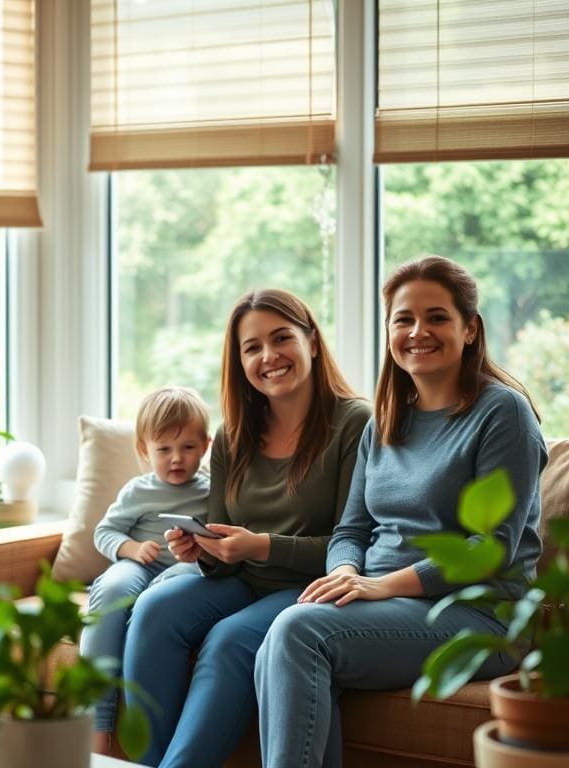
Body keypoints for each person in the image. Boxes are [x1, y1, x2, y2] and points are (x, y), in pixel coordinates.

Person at [254, 256, 547, 768]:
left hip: (480, 614)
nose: (418, 332)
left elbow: (492, 549)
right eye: (403, 319)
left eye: (436, 317)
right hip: (384, 603)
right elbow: (351, 529)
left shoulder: (503, 413)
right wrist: (345, 570)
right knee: (277, 638)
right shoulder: (385, 420)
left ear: (470, 328)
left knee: (297, 631)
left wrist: (381, 585)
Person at [121, 289, 371, 767]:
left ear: (312, 342)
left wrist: (261, 546)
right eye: (251, 347)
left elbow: (352, 544)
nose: (268, 357)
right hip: (240, 580)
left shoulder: (353, 423)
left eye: (282, 339)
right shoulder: (234, 432)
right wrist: (202, 550)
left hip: (308, 587)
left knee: (230, 639)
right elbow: (222, 538)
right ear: (238, 361)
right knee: (153, 608)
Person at [80, 385, 212, 754]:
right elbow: (104, 532)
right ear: (144, 450)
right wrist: (132, 549)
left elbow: (218, 547)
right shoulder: (138, 490)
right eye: (164, 449)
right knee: (111, 590)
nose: (176, 459)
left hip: (185, 574)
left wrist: (202, 550)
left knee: (163, 595)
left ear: (206, 445)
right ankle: (97, 724)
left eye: (188, 447)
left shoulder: (213, 492)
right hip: (139, 565)